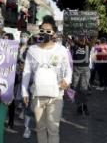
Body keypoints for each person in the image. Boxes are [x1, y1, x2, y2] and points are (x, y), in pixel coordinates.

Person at [22, 15, 72, 143]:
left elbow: (68, 70)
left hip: (56, 94)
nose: (45, 33)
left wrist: (67, 81)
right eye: (42, 30)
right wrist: (24, 91)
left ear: (54, 33)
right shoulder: (32, 50)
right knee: (40, 127)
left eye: (48, 31)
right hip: (37, 95)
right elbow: (27, 71)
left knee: (53, 128)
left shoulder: (62, 50)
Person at [71, 36, 91, 115]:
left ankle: (85, 105)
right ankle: (79, 106)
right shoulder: (75, 46)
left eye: (84, 39)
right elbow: (67, 38)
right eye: (80, 39)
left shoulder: (89, 46)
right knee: (76, 88)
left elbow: (94, 38)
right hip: (76, 69)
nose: (82, 40)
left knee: (84, 89)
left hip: (85, 69)